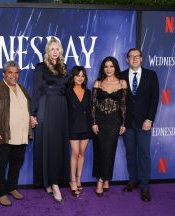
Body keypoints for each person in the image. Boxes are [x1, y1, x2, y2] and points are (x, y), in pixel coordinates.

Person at [0, 61, 31, 207]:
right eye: (10, 72)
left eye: (16, 72)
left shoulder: (22, 89)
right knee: (0, 165)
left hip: (21, 135)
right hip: (3, 135)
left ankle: (11, 187)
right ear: (4, 74)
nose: (13, 75)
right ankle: (1, 193)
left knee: (16, 164)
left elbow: (26, 110)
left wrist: (31, 122)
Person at [30, 38, 69, 204]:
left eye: (57, 49)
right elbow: (37, 91)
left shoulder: (64, 68)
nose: (54, 51)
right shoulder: (41, 67)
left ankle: (50, 180)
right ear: (47, 51)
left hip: (61, 107)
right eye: (52, 49)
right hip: (46, 106)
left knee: (58, 145)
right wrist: (33, 114)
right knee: (48, 145)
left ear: (60, 51)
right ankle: (53, 184)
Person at [121, 48, 159, 202]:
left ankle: (144, 186)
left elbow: (154, 99)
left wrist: (149, 119)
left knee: (143, 154)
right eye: (131, 57)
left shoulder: (151, 75)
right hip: (127, 123)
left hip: (144, 123)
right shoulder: (121, 76)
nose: (134, 59)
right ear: (127, 60)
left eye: (137, 56)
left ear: (142, 58)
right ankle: (133, 180)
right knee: (130, 153)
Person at [91, 56, 127, 197]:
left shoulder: (122, 83)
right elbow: (93, 104)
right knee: (100, 150)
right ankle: (102, 180)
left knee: (110, 151)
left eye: (111, 66)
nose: (109, 69)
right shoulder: (98, 83)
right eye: (106, 66)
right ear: (103, 68)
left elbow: (124, 105)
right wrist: (93, 122)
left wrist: (123, 123)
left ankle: (104, 179)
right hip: (100, 121)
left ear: (115, 67)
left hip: (114, 121)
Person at [65, 66, 92, 197]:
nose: (80, 78)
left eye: (82, 76)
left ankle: (79, 178)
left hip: (86, 127)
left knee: (82, 153)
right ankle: (73, 181)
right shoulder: (67, 91)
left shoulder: (88, 92)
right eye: (77, 76)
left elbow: (91, 110)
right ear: (73, 77)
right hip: (72, 126)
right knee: (75, 153)